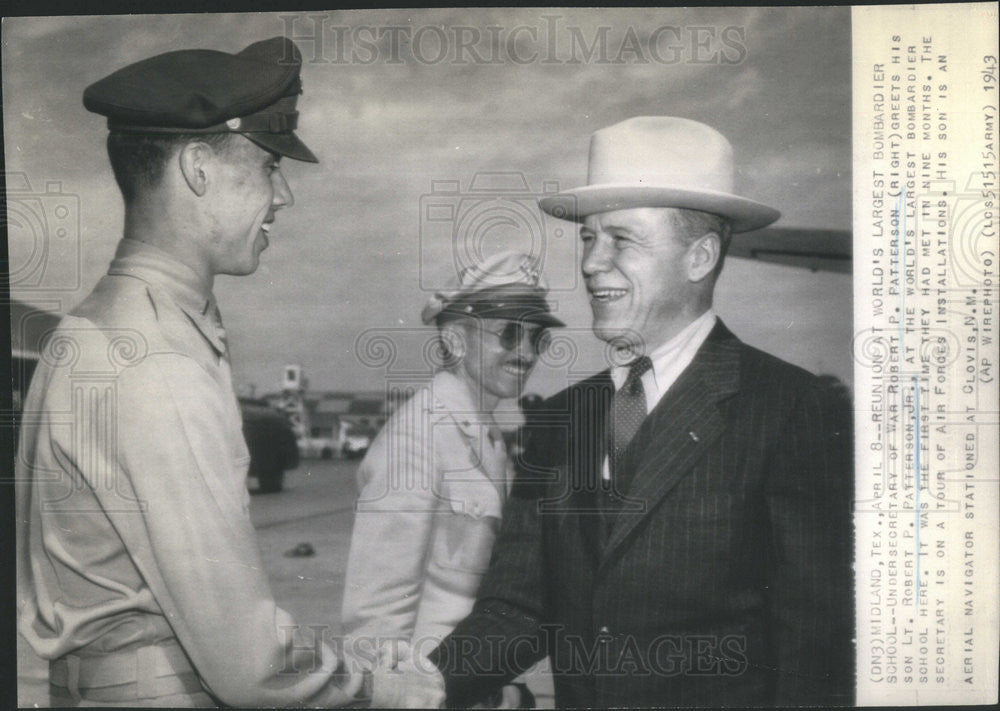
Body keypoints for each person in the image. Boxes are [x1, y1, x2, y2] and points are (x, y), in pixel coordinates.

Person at [413, 117, 855, 707]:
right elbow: (518, 608)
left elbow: (815, 648)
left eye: (621, 240)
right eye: (588, 240)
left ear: (699, 256)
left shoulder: (790, 410)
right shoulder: (560, 420)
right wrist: (422, 687)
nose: (592, 264)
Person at [15, 37, 364, 707]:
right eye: (269, 166)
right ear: (199, 168)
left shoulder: (93, 329)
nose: (284, 194)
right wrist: (391, 687)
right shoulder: (156, 360)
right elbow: (252, 667)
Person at [342, 251, 564, 708]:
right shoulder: (418, 435)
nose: (525, 353)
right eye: (508, 334)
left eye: (536, 338)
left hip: (469, 684)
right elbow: (378, 612)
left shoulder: (485, 433)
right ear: (456, 341)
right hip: (427, 688)